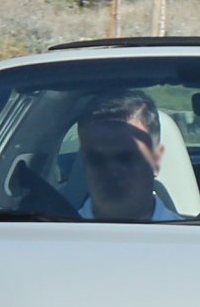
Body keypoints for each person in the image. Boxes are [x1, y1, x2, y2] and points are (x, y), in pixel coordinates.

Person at [75, 90, 182, 221]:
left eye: (126, 158)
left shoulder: (190, 240)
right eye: (97, 159)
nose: (111, 171)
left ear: (156, 161)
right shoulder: (51, 235)